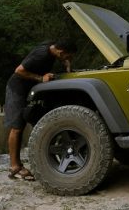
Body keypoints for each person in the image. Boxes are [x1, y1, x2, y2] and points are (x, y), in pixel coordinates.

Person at [5, 39, 76, 180]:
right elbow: (19, 71)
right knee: (17, 127)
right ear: (61, 52)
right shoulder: (41, 54)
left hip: (31, 88)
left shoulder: (53, 47)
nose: (69, 59)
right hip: (17, 88)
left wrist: (67, 65)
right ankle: (15, 166)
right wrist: (40, 77)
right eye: (68, 56)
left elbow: (63, 58)